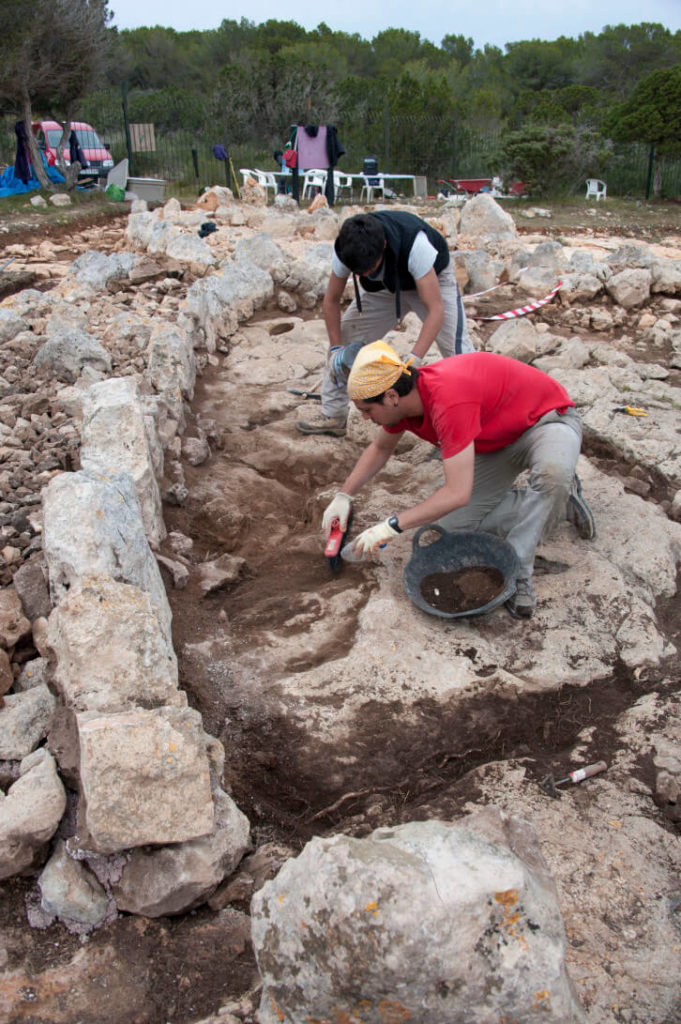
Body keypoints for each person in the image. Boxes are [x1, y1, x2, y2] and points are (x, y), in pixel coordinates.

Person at [320, 340, 595, 620]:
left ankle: (520, 573)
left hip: (546, 422)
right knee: (450, 528)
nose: (366, 418)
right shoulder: (402, 403)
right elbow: (380, 449)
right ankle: (560, 503)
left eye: (367, 410)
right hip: (495, 442)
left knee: (552, 474)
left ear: (391, 396)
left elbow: (457, 493)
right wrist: (344, 496)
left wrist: (390, 527)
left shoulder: (447, 399)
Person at [297, 211, 473, 437]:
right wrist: (335, 349)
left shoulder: (415, 246)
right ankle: (334, 414)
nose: (366, 273)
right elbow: (331, 300)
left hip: (432, 281)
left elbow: (436, 310)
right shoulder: (347, 249)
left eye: (371, 268)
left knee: (459, 353)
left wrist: (413, 358)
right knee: (345, 337)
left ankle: (470, 424)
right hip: (384, 289)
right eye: (361, 272)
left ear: (384, 247)